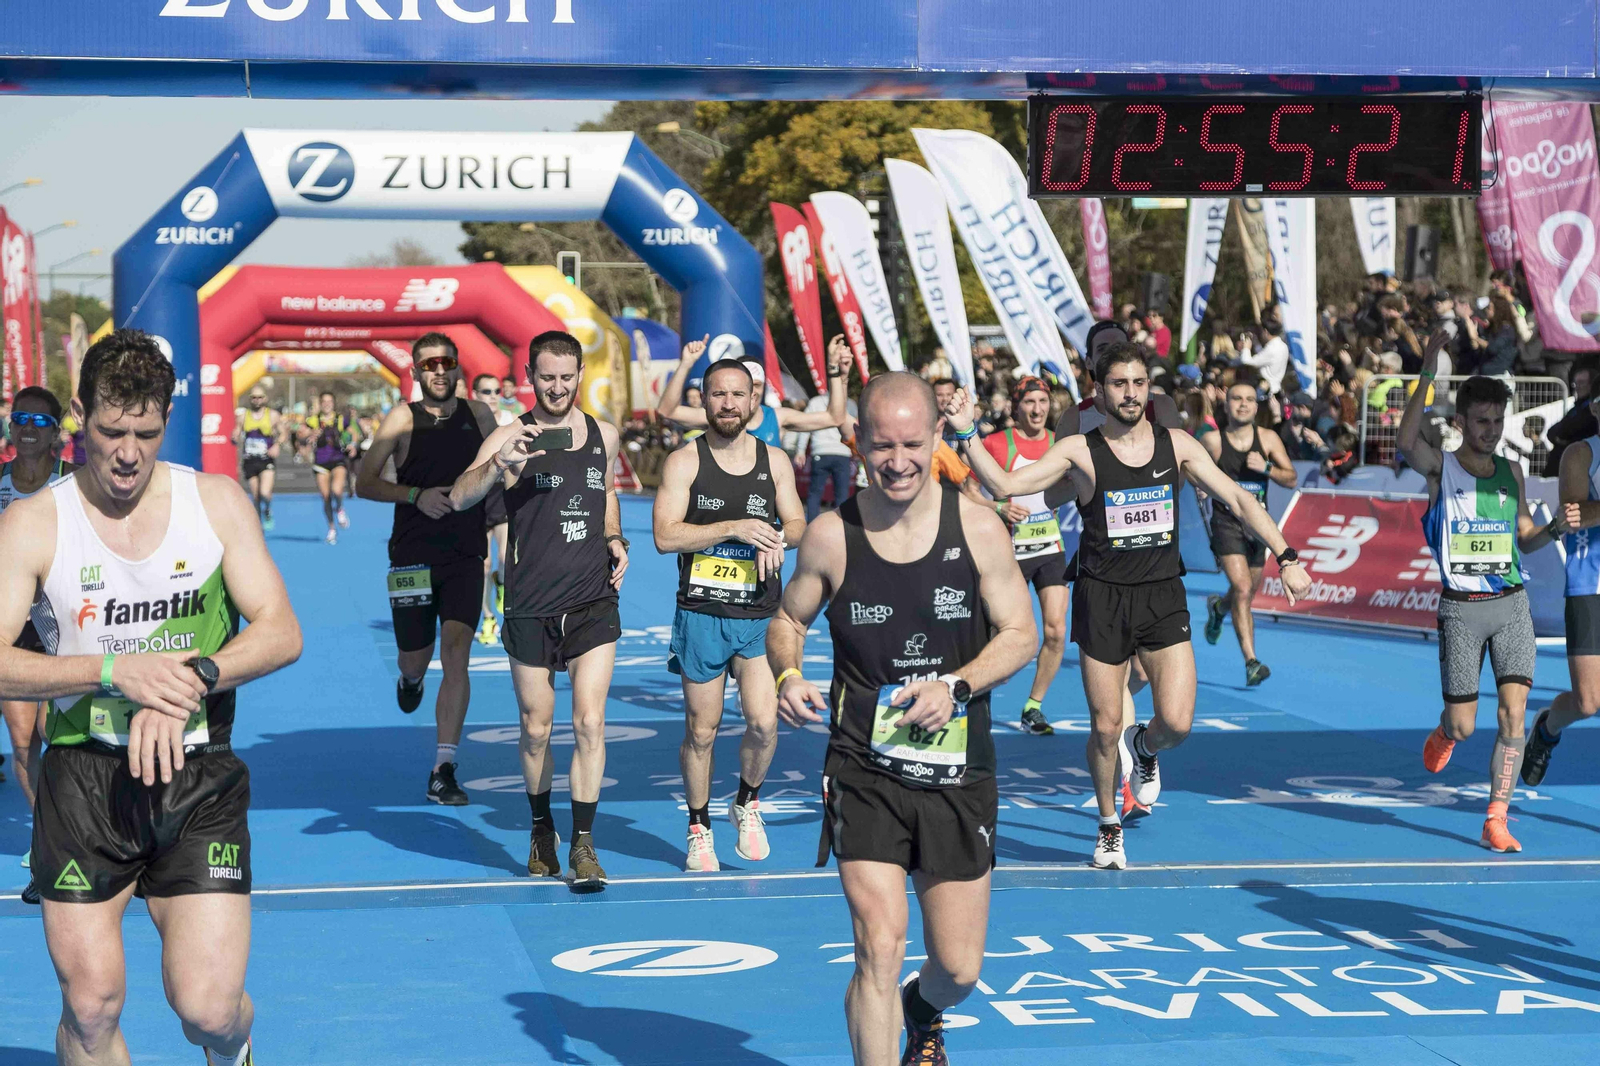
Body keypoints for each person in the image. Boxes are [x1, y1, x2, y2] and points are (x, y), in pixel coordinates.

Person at [0, 329, 301, 1065]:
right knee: (91, 1006)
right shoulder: (36, 522)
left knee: (208, 1009)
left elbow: (281, 631)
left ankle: (235, 1047)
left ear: (168, 419)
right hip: (82, 779)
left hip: (196, 777)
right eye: (110, 432)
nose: (128, 453)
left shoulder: (216, 503)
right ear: (80, 417)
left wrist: (194, 678)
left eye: (146, 431)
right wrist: (111, 670)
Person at [946, 342, 1311, 870]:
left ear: (1150, 389)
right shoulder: (1079, 450)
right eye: (1119, 384)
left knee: (1178, 724)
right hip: (1102, 599)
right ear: (1100, 391)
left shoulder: (1178, 444)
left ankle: (1145, 747)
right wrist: (964, 432)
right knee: (1103, 725)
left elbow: (1238, 497)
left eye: (1139, 383)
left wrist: (1287, 554)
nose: (1131, 393)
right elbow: (1007, 484)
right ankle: (1109, 823)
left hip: (1163, 595)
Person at [769, 372, 1036, 1066]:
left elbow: (1020, 633)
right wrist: (789, 674)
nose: (897, 461)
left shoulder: (978, 528)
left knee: (960, 968)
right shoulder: (831, 536)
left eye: (912, 444)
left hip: (956, 772)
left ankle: (924, 1009)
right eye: (882, 446)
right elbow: (787, 620)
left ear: (937, 439)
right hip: (863, 765)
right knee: (878, 947)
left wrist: (957, 683)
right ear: (858, 443)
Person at [450, 330, 629, 888]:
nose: (557, 387)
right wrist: (496, 463)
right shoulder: (511, 435)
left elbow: (605, 494)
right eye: (547, 376)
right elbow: (459, 496)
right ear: (531, 376)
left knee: (590, 723)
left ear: (579, 377)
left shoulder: (605, 433)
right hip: (529, 605)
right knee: (535, 729)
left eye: (566, 377)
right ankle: (539, 827)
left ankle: (584, 845)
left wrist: (615, 537)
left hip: (592, 601)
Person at [1398, 329, 1567, 854]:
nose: (1491, 431)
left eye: (1497, 421)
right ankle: (1444, 732)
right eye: (1481, 421)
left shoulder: (1512, 471)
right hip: (1462, 610)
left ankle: (1496, 817)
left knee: (1514, 714)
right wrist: (1428, 367)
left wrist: (1556, 529)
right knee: (1466, 725)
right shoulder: (1441, 468)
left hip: (1512, 604)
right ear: (1461, 423)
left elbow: (1525, 540)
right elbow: (1406, 440)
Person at [653, 357, 810, 870]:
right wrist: (733, 527)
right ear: (703, 399)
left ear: (752, 402)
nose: (727, 404)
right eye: (717, 394)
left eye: (737, 395)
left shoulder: (775, 461)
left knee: (765, 723)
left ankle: (746, 802)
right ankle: (699, 825)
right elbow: (664, 535)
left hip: (761, 615)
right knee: (703, 729)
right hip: (702, 614)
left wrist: (780, 538)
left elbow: (799, 522)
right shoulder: (685, 462)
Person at [358, 334, 499, 806]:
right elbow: (365, 483)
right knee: (415, 657)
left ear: (457, 368)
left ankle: (443, 768)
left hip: (464, 554)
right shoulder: (402, 418)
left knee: (457, 652)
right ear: (416, 372)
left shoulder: (479, 416)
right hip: (412, 556)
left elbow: (502, 469)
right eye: (428, 365)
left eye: (447, 363)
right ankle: (411, 680)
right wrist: (417, 495)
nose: (439, 371)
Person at [0, 385, 78, 903]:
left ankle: (83, 830)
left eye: (40, 421)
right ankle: (48, 842)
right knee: (23, 737)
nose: (28, 427)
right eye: (20, 418)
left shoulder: (72, 484)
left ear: (56, 434)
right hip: (10, 627)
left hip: (67, 624)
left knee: (62, 734)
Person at [982, 376, 1069, 736]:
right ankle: (978, 698)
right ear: (1016, 407)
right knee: (996, 633)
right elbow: (967, 490)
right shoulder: (996, 443)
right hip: (1008, 553)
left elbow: (1071, 488)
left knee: (1055, 631)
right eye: (1030, 403)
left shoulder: (1060, 444)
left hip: (1050, 547)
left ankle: (1033, 707)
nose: (1037, 410)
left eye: (1043, 402)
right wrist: (998, 507)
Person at [1201, 378, 1301, 685]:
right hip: (1226, 522)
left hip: (1258, 524)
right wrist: (1202, 489)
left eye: (1248, 399)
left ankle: (1219, 607)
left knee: (1246, 593)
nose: (1243, 403)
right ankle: (1251, 662)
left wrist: (1267, 468)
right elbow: (1194, 476)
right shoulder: (1213, 442)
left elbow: (1292, 478)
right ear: (1226, 405)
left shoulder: (1268, 439)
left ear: (1256, 407)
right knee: (1243, 589)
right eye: (1236, 399)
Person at [1525, 389, 1600, 787]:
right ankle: (1546, 730)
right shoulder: (1581, 454)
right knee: (1587, 703)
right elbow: (1574, 516)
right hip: (1590, 584)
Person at [658, 334, 849, 449]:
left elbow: (835, 417)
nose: (754, 394)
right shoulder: (719, 417)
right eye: (743, 390)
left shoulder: (777, 417)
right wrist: (686, 364)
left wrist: (834, 370)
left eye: (757, 386)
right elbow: (667, 410)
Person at [472, 373, 518, 645]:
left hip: (501, 495)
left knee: (503, 557)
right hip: (476, 499)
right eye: (485, 391)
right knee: (483, 563)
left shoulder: (510, 422)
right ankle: (488, 617)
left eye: (496, 390)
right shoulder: (465, 424)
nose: (491, 395)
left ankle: (501, 584)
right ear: (475, 394)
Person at [303, 391, 356, 544]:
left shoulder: (340, 419)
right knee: (326, 497)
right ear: (320, 403)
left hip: (337, 459)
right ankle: (332, 529)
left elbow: (353, 433)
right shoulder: (313, 420)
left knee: (337, 490)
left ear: (333, 403)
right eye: (324, 401)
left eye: (329, 401)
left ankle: (339, 508)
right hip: (320, 461)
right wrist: (310, 435)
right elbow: (302, 435)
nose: (326, 404)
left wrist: (352, 444)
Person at [805, 388, 859, 521]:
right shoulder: (850, 404)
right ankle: (842, 527)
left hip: (820, 451)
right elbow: (856, 428)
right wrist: (857, 451)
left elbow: (805, 427)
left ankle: (811, 526)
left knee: (815, 493)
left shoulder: (815, 402)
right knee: (842, 494)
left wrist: (800, 450)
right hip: (842, 453)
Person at [231, 388, 279, 530]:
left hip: (266, 459)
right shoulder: (243, 417)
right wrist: (234, 438)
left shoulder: (273, 415)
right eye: (254, 397)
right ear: (250, 399)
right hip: (250, 460)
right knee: (256, 495)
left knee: (264, 493)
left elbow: (283, 433)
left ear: (265, 398)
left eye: (260, 397)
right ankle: (258, 527)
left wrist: (277, 445)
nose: (257, 400)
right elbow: (236, 433)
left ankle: (268, 510)